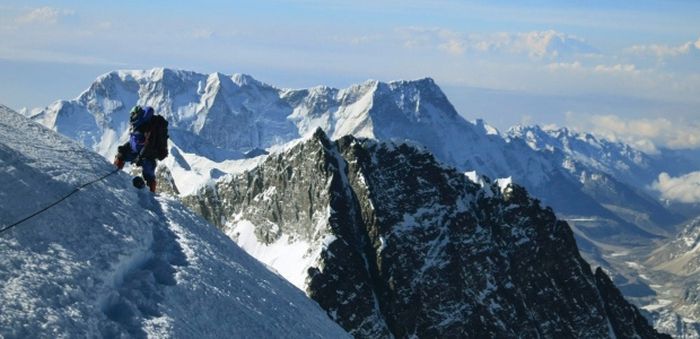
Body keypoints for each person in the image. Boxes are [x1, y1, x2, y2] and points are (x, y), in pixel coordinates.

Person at [113, 105, 159, 193]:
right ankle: (114, 173)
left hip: (147, 156)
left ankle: (151, 197)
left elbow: (147, 144)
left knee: (149, 177)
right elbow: (135, 141)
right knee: (121, 154)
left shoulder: (145, 127)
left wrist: (140, 157)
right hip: (137, 152)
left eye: (133, 114)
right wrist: (126, 147)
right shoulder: (140, 124)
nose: (131, 117)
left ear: (138, 115)